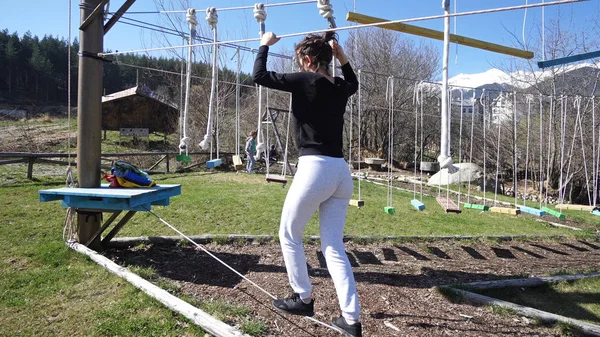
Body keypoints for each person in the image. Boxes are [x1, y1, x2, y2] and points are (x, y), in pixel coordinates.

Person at [253, 31, 361, 337]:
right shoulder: (340, 86)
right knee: (333, 247)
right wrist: (343, 58)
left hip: (315, 168)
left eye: (301, 61)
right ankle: (351, 320)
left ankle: (303, 298)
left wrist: (264, 43)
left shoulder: (305, 80)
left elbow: (259, 75)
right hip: (341, 172)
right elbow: (353, 82)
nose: (299, 65)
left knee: (288, 234)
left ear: (309, 61)